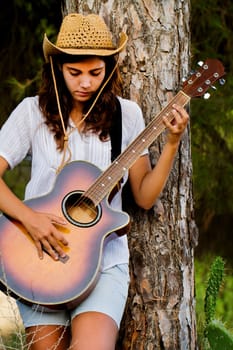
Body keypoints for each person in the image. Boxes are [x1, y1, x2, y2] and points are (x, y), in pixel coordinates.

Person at [0, 13, 189, 350]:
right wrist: (31, 220)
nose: (85, 82)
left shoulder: (126, 115)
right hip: (37, 255)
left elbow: (143, 197)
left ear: (109, 68)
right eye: (75, 73)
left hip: (104, 262)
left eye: (95, 72)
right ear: (57, 66)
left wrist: (172, 143)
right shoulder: (31, 112)